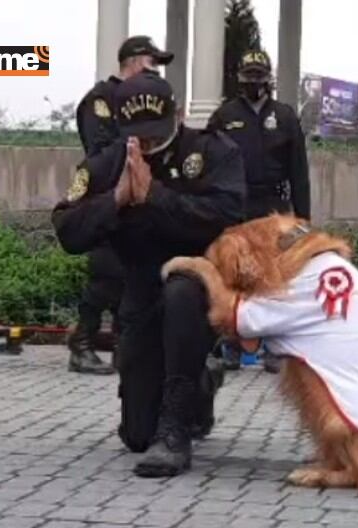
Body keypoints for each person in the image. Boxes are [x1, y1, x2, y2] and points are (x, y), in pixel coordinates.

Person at [52, 73, 246, 477]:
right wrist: (117, 200)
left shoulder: (211, 151)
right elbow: (68, 231)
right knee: (137, 435)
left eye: (157, 135)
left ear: (177, 113)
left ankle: (175, 430)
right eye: (140, 136)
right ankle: (201, 383)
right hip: (140, 287)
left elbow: (229, 217)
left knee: (181, 291)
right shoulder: (107, 165)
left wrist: (156, 197)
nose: (150, 145)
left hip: (200, 286)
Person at [66, 36, 175, 375]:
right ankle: (81, 343)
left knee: (132, 274)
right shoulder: (102, 98)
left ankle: (122, 344)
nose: (154, 70)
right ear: (132, 61)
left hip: (140, 194)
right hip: (108, 193)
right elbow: (99, 150)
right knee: (106, 272)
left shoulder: (150, 100)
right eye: (150, 62)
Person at [207, 49, 310, 374]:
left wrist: (302, 218)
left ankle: (273, 348)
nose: (254, 81)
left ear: (269, 78)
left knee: (274, 278)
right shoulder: (224, 116)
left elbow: (299, 171)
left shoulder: (285, 115)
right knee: (233, 274)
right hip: (236, 203)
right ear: (239, 78)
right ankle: (231, 345)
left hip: (274, 206)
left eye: (259, 75)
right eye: (248, 75)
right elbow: (210, 165)